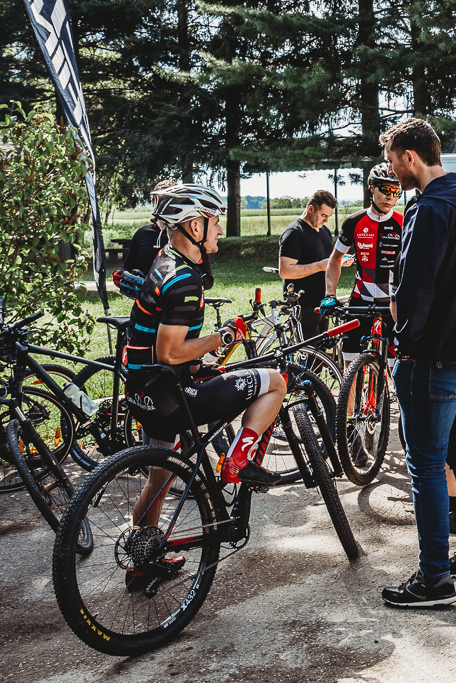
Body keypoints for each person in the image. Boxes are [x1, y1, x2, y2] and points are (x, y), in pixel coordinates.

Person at [123, 185, 288, 595]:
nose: (219, 231)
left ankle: (143, 560)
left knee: (159, 478)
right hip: (172, 396)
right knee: (275, 381)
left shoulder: (162, 262)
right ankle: (236, 462)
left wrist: (198, 362)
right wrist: (222, 336)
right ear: (195, 225)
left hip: (144, 391)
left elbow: (161, 347)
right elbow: (170, 349)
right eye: (215, 221)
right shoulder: (185, 280)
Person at [378, 118, 456, 608]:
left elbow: (414, 290)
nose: (391, 173)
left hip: (438, 356)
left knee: (425, 463)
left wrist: (404, 343)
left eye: (392, 162)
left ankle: (434, 577)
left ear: (411, 157)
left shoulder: (428, 210)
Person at [324, 163, 405, 361]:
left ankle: (390, 392)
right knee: (349, 361)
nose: (390, 196)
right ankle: (350, 392)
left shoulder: (404, 222)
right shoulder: (354, 221)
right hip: (361, 301)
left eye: (396, 191)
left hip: (392, 305)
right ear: (372, 188)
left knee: (397, 367)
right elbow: (335, 259)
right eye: (385, 189)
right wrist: (329, 294)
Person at [277, 190, 337, 339]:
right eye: (323, 215)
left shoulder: (325, 231)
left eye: (329, 216)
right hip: (302, 305)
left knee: (321, 354)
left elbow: (327, 262)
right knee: (311, 356)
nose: (326, 220)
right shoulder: (294, 233)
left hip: (322, 303)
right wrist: (320, 266)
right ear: (311, 209)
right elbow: (285, 271)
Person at [121, 178, 181, 273]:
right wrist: (121, 274)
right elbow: (128, 266)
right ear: (153, 201)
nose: (164, 205)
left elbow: (206, 276)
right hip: (145, 287)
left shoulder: (188, 234)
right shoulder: (142, 233)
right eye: (160, 199)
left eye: (169, 200)